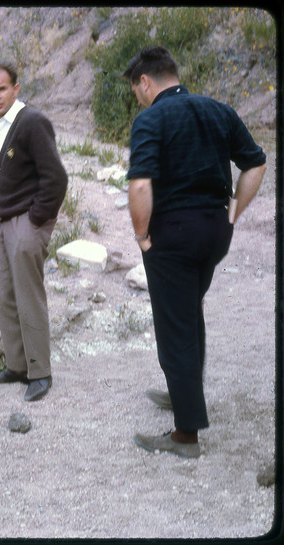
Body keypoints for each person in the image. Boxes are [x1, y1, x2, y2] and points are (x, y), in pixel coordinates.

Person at [123, 46, 266, 458]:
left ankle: (185, 436)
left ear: (145, 82)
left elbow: (140, 184)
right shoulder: (217, 109)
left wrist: (141, 236)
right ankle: (182, 392)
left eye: (137, 91)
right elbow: (255, 163)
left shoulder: (151, 118)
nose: (139, 98)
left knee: (175, 327)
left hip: (173, 235)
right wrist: (235, 210)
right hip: (216, 231)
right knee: (188, 312)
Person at [0, 60, 68, 402]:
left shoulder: (32, 121)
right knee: (3, 295)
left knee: (29, 297)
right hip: (1, 221)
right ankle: (17, 366)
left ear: (16, 88)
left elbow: (56, 178)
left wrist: (37, 220)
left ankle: (40, 372)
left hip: (25, 223)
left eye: (2, 89)